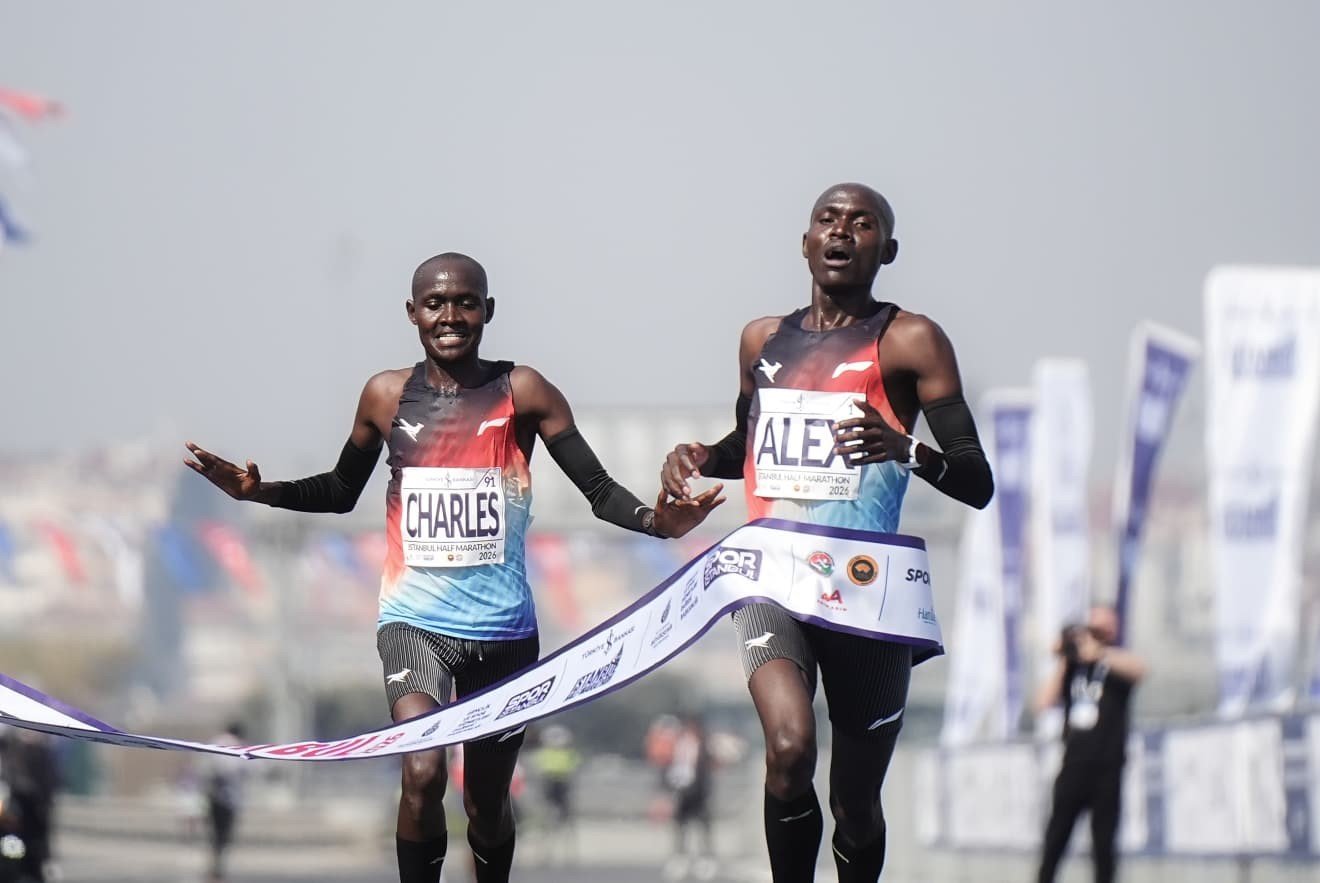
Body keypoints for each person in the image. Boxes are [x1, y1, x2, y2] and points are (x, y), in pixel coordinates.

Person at [185, 252, 723, 883]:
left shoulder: (524, 391)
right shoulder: (386, 395)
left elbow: (599, 491)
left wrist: (658, 523)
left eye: (465, 303)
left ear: (487, 311)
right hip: (413, 623)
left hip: (503, 635)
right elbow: (339, 490)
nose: (450, 316)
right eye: (435, 304)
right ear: (412, 313)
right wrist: (260, 492)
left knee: (486, 804)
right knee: (421, 772)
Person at [661, 183, 993, 882]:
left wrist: (903, 446)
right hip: (773, 578)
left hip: (868, 592)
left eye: (862, 223)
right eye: (828, 220)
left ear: (887, 250)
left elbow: (975, 479)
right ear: (805, 242)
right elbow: (747, 443)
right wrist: (699, 456)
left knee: (855, 803)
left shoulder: (910, 340)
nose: (842, 231)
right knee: (788, 751)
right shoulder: (762, 339)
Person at [1034, 606, 1146, 883]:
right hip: (1073, 765)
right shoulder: (1073, 667)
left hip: (1108, 767)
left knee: (1104, 845)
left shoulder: (1115, 665)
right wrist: (1065, 657)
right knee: (1055, 839)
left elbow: (1140, 670)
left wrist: (1099, 652)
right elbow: (1043, 702)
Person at [663, 714, 716, 881]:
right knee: (681, 827)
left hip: (698, 791)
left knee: (703, 827)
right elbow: (672, 766)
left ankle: (705, 859)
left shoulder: (702, 745)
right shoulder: (679, 744)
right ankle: (681, 858)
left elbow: (705, 770)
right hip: (682, 790)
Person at [200, 723, 247, 883]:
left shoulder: (215, 742)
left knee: (214, 834)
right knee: (223, 836)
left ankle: (214, 867)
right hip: (229, 799)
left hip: (213, 796)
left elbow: (205, 769)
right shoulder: (239, 746)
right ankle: (217, 868)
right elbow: (239, 770)